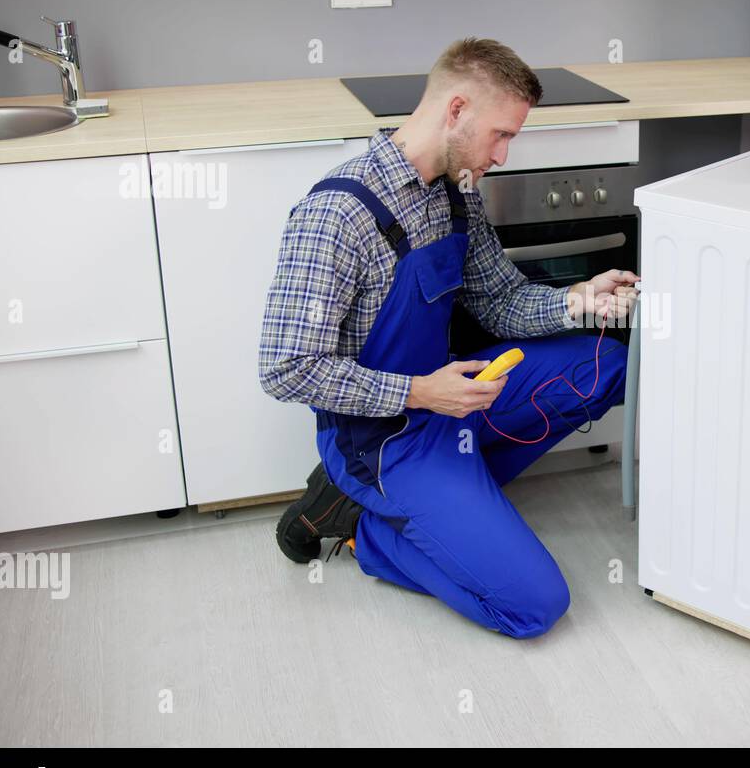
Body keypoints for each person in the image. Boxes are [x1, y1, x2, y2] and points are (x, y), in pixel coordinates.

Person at [258, 37, 639, 638]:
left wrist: (577, 300)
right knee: (535, 606)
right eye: (502, 134)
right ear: (456, 110)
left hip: (456, 400)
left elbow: (501, 300)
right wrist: (419, 393)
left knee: (605, 365)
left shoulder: (457, 192)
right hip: (385, 441)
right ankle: (371, 532)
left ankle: (457, 500)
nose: (505, 156)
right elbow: (284, 368)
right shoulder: (337, 214)